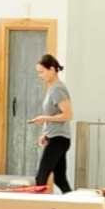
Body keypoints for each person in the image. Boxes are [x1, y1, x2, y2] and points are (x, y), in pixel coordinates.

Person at [27, 55, 75, 193]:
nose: (40, 75)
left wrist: (44, 118)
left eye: (42, 72)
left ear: (52, 69)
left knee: (41, 178)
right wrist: (45, 133)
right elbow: (54, 114)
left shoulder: (57, 89)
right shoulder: (53, 88)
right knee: (60, 179)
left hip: (58, 139)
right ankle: (75, 206)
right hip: (56, 137)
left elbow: (68, 114)